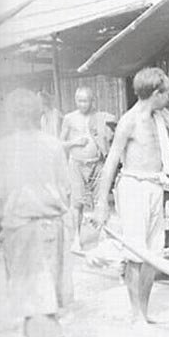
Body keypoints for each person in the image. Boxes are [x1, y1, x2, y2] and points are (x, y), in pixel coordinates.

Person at [93, 68, 169, 323]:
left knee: (153, 254)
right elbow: (111, 163)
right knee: (135, 254)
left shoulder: (158, 117)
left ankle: (145, 313)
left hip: (154, 187)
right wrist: (101, 204)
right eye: (167, 92)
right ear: (156, 94)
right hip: (134, 188)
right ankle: (136, 315)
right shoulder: (129, 121)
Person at [0, 89, 74, 337]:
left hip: (21, 226)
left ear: (11, 116)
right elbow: (65, 189)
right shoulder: (54, 145)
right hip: (52, 224)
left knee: (31, 286)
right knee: (43, 283)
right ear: (39, 114)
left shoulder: (3, 148)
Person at [60, 87, 116, 250]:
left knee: (101, 200)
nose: (82, 104)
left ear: (93, 101)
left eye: (86, 101)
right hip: (77, 164)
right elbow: (60, 143)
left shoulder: (101, 117)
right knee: (77, 203)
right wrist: (74, 143)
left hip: (97, 164)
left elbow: (112, 132)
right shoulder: (69, 118)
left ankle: (102, 237)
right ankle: (76, 239)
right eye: (79, 100)